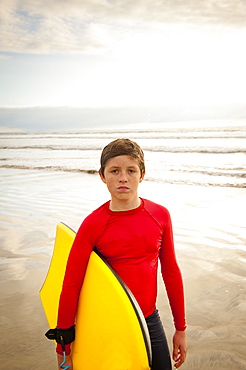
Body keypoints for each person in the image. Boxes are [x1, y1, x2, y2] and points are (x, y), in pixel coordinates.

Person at [53, 138, 187, 369]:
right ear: (103, 176)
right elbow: (71, 282)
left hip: (149, 319)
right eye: (115, 171)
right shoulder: (93, 224)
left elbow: (171, 272)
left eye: (131, 170)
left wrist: (181, 329)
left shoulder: (160, 215)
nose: (123, 178)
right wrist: (63, 344)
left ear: (142, 174)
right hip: (109, 321)